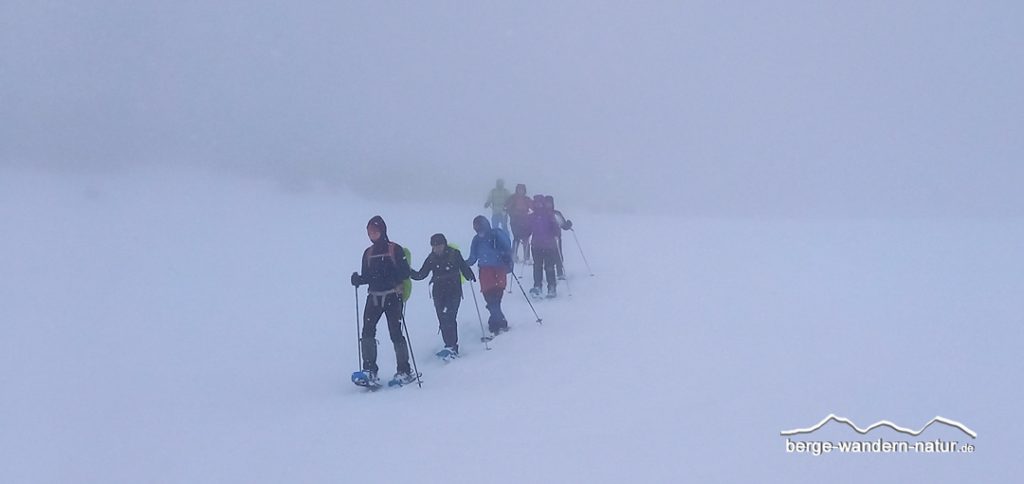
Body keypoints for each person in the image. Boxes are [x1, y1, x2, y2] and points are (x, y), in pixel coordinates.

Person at [350, 216, 415, 386]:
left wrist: (391, 277)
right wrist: (358, 279)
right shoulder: (368, 253)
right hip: (374, 297)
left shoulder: (395, 249)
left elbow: (405, 273)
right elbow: (367, 276)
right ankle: (369, 369)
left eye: (375, 231)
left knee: (395, 333)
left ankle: (404, 370)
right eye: (370, 232)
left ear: (383, 231)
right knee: (367, 331)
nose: (372, 235)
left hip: (393, 296)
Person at [410, 233, 476, 359]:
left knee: (449, 317)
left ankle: (453, 347)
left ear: (444, 244)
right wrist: (409, 272)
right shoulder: (431, 258)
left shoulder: (454, 254)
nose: (437, 248)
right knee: (442, 318)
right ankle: (448, 345)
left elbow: (463, 267)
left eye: (439, 245)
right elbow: (421, 274)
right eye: (434, 246)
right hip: (439, 293)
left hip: (454, 291)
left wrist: (469, 275)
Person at [465, 216, 513, 336]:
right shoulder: (476, 240)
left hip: (496, 269)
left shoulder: (495, 235)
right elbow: (473, 257)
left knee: (495, 297)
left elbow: (507, 248)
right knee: (491, 298)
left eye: (478, 225)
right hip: (487, 271)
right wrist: (463, 264)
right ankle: (498, 321)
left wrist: (506, 258)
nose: (477, 229)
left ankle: (496, 323)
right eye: (475, 226)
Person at [528, 196, 560, 298]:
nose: (538, 205)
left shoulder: (549, 215)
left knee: (549, 267)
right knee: (537, 267)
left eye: (540, 203)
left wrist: (555, 231)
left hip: (549, 246)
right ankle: (537, 286)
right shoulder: (532, 216)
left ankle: (551, 287)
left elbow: (556, 228)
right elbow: (528, 229)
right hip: (536, 245)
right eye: (536, 203)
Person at [545, 195, 573, 280]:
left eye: (550, 203)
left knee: (558, 254)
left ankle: (559, 271)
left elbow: (563, 225)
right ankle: (549, 272)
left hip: (556, 238)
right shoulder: (542, 214)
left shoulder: (556, 213)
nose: (548, 205)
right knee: (547, 257)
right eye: (547, 203)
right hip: (545, 239)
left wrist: (568, 225)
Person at [505, 184, 533, 264]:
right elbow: (506, 206)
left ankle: (526, 257)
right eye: (519, 189)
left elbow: (533, 206)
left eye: (522, 190)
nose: (521, 191)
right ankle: (513, 256)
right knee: (516, 238)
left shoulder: (526, 199)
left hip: (525, 220)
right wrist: (510, 212)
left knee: (525, 238)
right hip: (515, 220)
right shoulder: (512, 198)